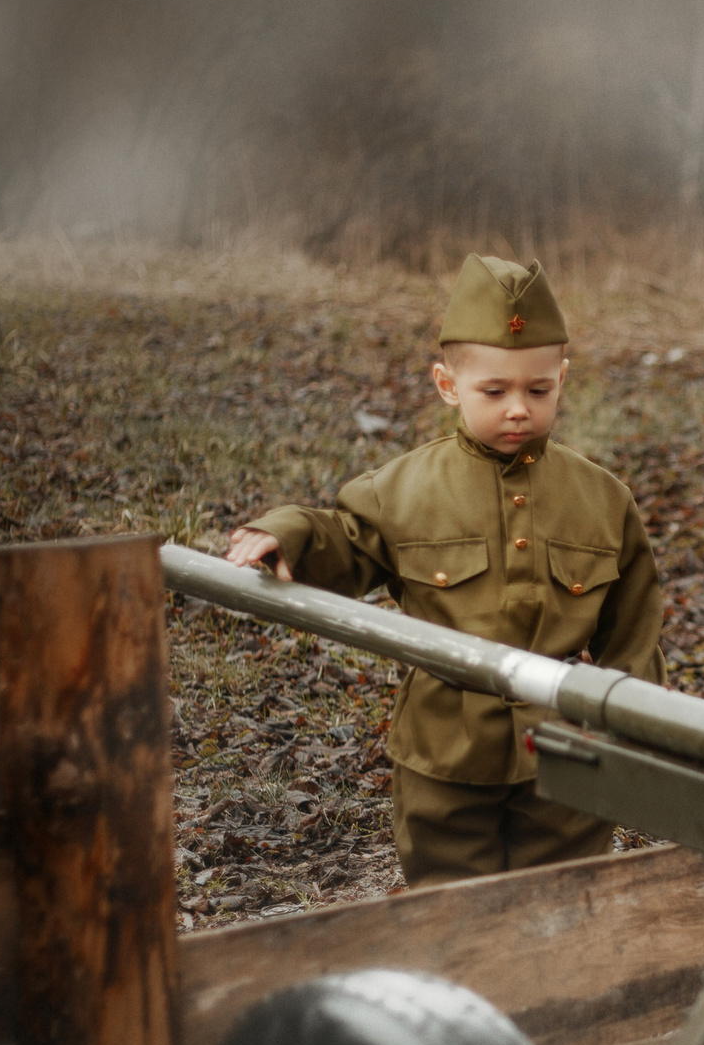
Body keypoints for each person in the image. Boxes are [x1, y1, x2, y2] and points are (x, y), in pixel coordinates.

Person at [226, 254, 664, 886]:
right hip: (442, 757)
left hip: (568, 758)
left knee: (564, 909)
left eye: (538, 390)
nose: (519, 409)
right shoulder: (401, 490)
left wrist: (635, 730)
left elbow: (635, 625)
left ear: (562, 379)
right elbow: (344, 541)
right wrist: (285, 532)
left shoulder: (602, 499)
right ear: (447, 384)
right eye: (495, 390)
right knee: (448, 916)